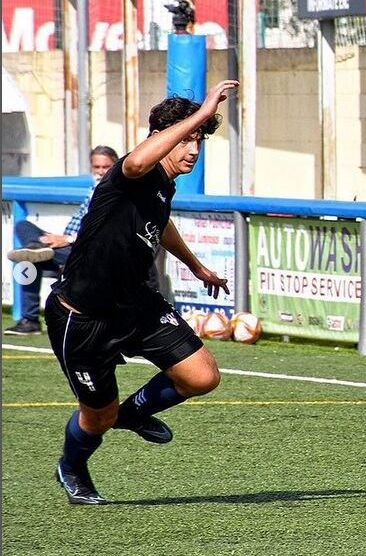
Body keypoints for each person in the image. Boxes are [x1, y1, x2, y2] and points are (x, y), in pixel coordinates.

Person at [46, 79, 239, 505]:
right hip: (82, 316)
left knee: (201, 376)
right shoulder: (132, 171)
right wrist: (201, 112)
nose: (192, 150)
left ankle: (131, 415)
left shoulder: (164, 184)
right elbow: (134, 165)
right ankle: (72, 467)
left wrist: (195, 264)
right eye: (186, 139)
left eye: (198, 142)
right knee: (97, 417)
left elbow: (160, 223)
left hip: (135, 304)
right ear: (158, 139)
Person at [5, 146, 118, 335]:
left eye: (105, 167)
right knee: (23, 230)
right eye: (96, 167)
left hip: (85, 252)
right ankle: (30, 320)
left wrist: (66, 239)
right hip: (67, 247)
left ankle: (37, 250)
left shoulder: (116, 192)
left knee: (29, 258)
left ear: (115, 166)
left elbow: (104, 230)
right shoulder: (94, 189)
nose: (100, 172)